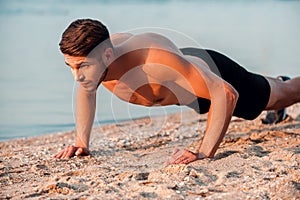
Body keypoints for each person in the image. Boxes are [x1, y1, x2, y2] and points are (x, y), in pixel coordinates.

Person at [54, 19, 300, 165]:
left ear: (108, 55)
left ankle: (281, 86)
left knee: (281, 94)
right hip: (188, 91)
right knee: (271, 93)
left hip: (216, 76)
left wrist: (203, 153)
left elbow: (225, 93)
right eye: (71, 67)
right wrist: (81, 143)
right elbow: (86, 91)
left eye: (82, 66)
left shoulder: (154, 61)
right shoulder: (95, 63)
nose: (77, 76)